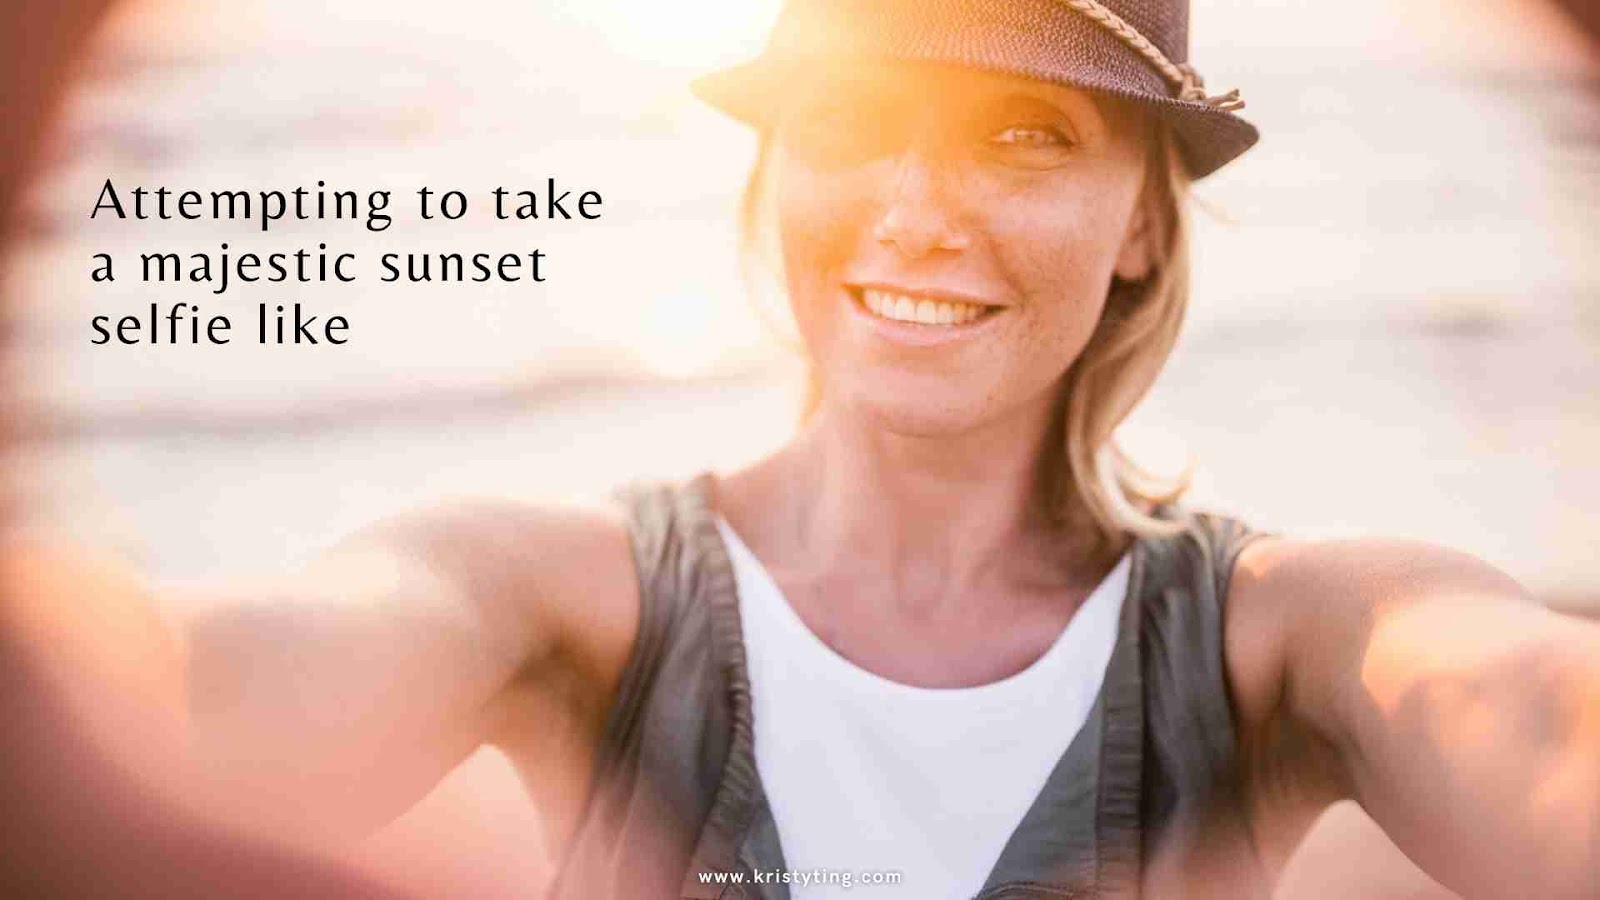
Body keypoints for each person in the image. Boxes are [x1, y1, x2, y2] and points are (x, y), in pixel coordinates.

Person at [23, 1, 1600, 898]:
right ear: (772, 178)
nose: (918, 209)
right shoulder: (558, 598)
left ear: (1139, 219)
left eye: (1025, 133)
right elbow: (187, 696)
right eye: (853, 119)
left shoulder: (1281, 643)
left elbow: (1522, 718)